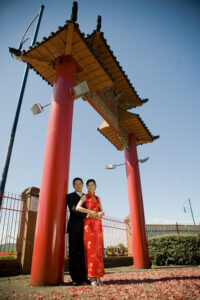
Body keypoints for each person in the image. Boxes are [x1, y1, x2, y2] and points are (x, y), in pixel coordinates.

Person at [76, 179, 105, 287]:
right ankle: (92, 277)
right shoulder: (85, 197)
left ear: (95, 186)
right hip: (89, 224)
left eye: (92, 184)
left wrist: (101, 213)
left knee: (98, 251)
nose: (90, 186)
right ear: (86, 187)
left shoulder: (98, 198)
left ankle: (98, 277)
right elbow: (78, 208)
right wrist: (89, 211)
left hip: (98, 224)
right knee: (90, 251)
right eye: (88, 185)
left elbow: (102, 210)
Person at [66, 177, 93, 286]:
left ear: (82, 185)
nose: (78, 185)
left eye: (80, 184)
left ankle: (83, 278)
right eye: (75, 184)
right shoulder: (70, 196)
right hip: (74, 228)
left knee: (83, 255)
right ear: (73, 186)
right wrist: (88, 213)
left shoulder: (86, 197)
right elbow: (73, 208)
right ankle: (75, 278)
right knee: (73, 254)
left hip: (86, 229)